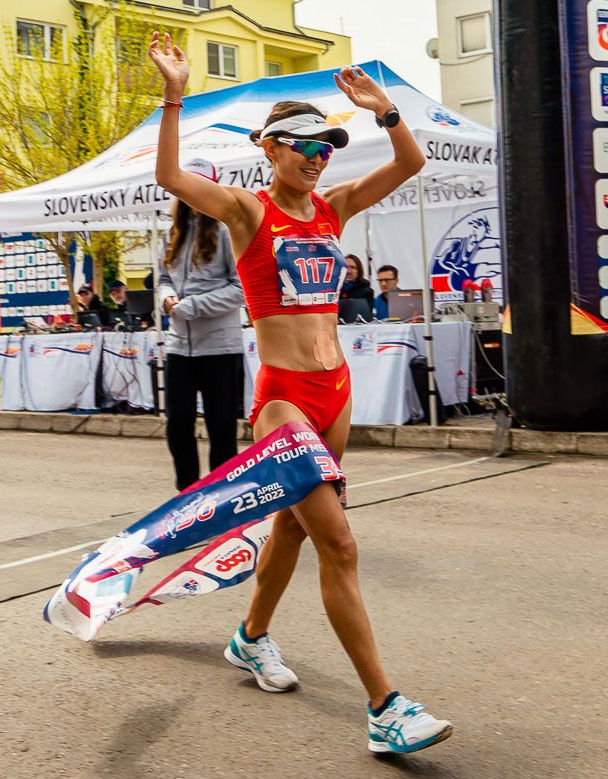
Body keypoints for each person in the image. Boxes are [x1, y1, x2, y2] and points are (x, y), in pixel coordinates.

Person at [149, 33, 452, 755]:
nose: (318, 157)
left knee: (290, 527)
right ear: (270, 148)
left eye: (326, 147)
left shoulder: (334, 207)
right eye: (304, 146)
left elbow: (410, 161)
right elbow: (169, 177)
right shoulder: (248, 212)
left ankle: (250, 636)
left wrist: (385, 112)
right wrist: (173, 94)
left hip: (335, 390)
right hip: (283, 399)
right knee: (338, 545)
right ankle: (384, 707)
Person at [158, 198, 245, 490]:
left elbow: (240, 288)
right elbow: (161, 279)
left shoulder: (227, 231)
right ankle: (188, 492)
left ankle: (221, 494)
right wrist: (166, 299)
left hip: (220, 347)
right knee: (177, 424)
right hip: (179, 345)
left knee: (221, 427)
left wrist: (192, 306)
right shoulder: (173, 232)